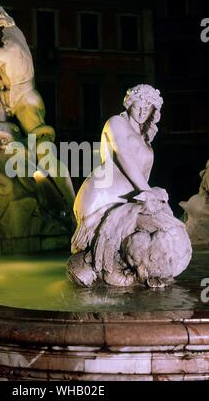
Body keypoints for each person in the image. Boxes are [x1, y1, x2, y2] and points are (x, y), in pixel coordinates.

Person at [0, 0, 75, 209]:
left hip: (25, 101)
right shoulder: (11, 30)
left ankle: (72, 204)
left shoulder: (4, 51)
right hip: (2, 100)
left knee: (45, 153)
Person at [68, 84, 192, 288]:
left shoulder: (145, 141)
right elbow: (124, 155)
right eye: (138, 106)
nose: (143, 111)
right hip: (103, 197)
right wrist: (147, 192)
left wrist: (151, 197)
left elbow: (142, 176)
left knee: (164, 223)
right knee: (99, 250)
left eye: (148, 107)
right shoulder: (115, 123)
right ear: (129, 104)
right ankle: (101, 271)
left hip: (127, 201)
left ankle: (143, 271)